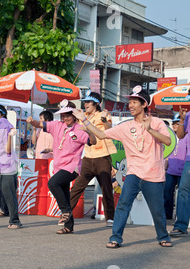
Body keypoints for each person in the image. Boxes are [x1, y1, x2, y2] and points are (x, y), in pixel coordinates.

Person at [73, 85, 173, 248]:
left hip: (153, 174)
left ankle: (163, 236)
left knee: (157, 211)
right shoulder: (126, 126)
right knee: (123, 205)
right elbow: (102, 134)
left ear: (144, 104)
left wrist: (150, 130)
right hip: (134, 173)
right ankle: (115, 238)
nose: (131, 105)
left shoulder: (156, 122)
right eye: (130, 102)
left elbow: (167, 141)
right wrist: (83, 119)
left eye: (134, 102)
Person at [28, 100, 96, 234]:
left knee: (52, 183)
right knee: (64, 195)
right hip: (59, 167)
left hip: (73, 167)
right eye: (62, 115)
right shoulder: (56, 125)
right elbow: (40, 124)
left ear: (74, 115)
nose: (65, 118)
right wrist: (32, 122)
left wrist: (89, 130)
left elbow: (93, 141)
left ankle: (64, 211)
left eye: (67, 115)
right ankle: (68, 227)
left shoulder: (79, 128)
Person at [68, 91, 117, 227]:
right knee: (77, 187)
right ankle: (66, 214)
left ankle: (110, 218)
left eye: (89, 102)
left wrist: (102, 119)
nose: (86, 104)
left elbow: (108, 129)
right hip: (88, 158)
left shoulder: (103, 114)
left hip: (102, 156)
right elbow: (70, 120)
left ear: (96, 104)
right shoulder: (83, 116)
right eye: (85, 101)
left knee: (106, 188)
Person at [170, 106, 190, 236]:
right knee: (183, 190)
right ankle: (181, 226)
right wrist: (182, 119)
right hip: (189, 159)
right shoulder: (188, 115)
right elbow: (180, 135)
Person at [163, 113, 188, 220]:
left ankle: (180, 217)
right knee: (167, 194)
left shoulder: (186, 137)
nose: (174, 125)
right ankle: (167, 216)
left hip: (183, 171)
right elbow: (166, 154)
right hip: (170, 171)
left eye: (177, 123)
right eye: (173, 123)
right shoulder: (170, 137)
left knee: (182, 196)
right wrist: (165, 168)